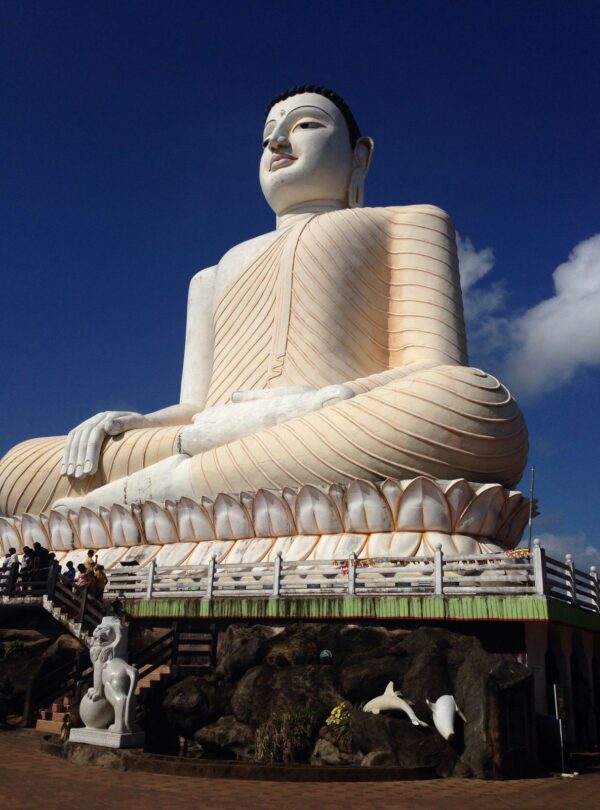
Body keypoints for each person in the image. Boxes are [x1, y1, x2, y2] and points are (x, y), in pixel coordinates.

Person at [0, 86, 528, 525]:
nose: (277, 141)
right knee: (19, 467)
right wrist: (132, 424)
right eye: (268, 135)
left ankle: (129, 502)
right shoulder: (211, 275)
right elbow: (197, 408)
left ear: (359, 156)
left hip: (332, 420)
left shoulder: (408, 222)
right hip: (227, 441)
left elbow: (434, 372)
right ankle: (165, 490)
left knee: (474, 402)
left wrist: (320, 402)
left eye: (305, 125)